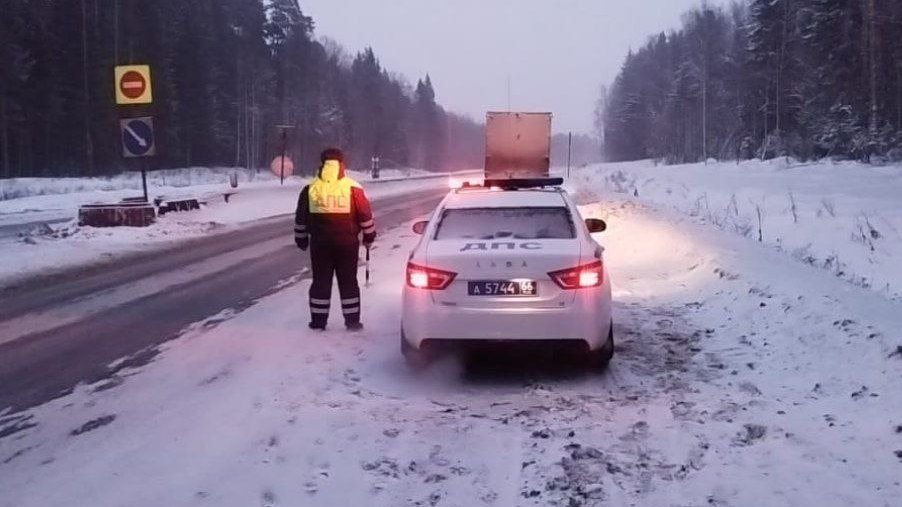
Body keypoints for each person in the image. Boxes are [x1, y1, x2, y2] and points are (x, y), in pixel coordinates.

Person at [294, 148, 376, 331]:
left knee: (321, 281)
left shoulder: (310, 188)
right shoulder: (353, 187)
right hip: (347, 244)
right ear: (342, 164)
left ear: (322, 164)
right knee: (348, 282)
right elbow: (365, 215)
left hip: (320, 245)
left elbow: (301, 218)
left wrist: (301, 239)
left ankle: (318, 322)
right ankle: (353, 322)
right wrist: (369, 236)